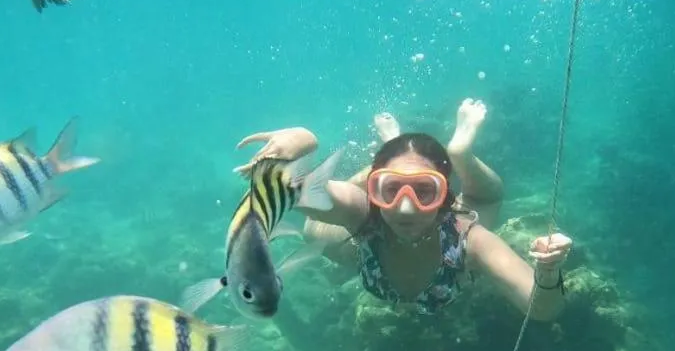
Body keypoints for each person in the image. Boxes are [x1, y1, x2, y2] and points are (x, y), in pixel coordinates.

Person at [233, 99, 572, 320]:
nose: (406, 208)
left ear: (444, 194)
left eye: (426, 190)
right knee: (312, 228)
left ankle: (461, 154)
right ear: (373, 190)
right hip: (365, 225)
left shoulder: (470, 238)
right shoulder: (363, 210)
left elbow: (542, 309)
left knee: (487, 201)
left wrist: (548, 271)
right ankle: (384, 154)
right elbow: (285, 189)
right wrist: (303, 141)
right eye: (390, 188)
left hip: (458, 218)